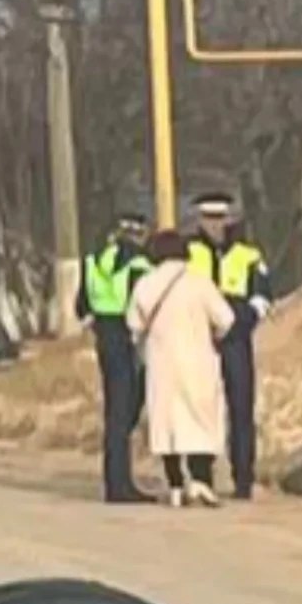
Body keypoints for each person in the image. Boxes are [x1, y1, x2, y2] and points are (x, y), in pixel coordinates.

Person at [127, 229, 235, 508]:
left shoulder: (146, 284)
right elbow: (226, 319)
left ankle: (175, 484)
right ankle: (200, 481)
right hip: (198, 362)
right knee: (200, 421)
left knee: (168, 425)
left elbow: (134, 324)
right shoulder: (200, 282)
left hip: (161, 364)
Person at [185, 192, 273, 500]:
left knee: (240, 407)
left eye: (219, 218)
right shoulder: (188, 252)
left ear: (229, 219)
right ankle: (200, 474)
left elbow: (262, 298)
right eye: (208, 219)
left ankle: (243, 478)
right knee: (200, 407)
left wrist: (239, 324)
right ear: (199, 220)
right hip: (199, 341)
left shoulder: (248, 255)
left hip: (236, 340)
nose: (214, 226)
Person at [76, 211, 152, 504]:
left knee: (114, 411)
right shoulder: (139, 263)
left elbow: (81, 305)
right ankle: (122, 486)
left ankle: (115, 480)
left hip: (104, 337)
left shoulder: (93, 260)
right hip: (128, 338)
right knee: (126, 409)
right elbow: (141, 304)